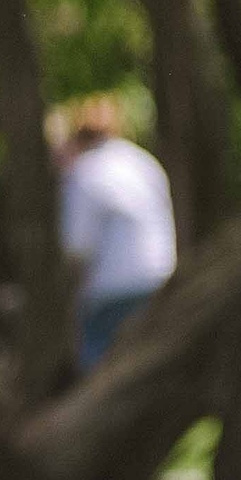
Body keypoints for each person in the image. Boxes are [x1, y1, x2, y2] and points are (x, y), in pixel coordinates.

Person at [52, 96, 177, 371]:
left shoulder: (85, 171)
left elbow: (76, 246)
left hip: (113, 288)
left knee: (96, 360)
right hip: (160, 278)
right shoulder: (143, 162)